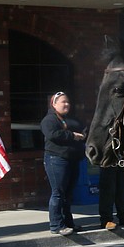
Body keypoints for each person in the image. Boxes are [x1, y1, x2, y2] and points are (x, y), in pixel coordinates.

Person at [42, 91, 86, 235]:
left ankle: (68, 223)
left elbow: (83, 128)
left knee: (68, 194)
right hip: (56, 160)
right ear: (54, 104)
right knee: (58, 193)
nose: (66, 104)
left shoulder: (71, 120)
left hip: (72, 160)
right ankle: (56, 225)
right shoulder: (49, 120)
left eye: (68, 102)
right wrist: (72, 135)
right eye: (63, 102)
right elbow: (53, 134)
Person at [98, 161, 124, 231]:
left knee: (121, 189)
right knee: (107, 191)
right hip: (107, 160)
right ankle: (106, 220)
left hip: (121, 160)